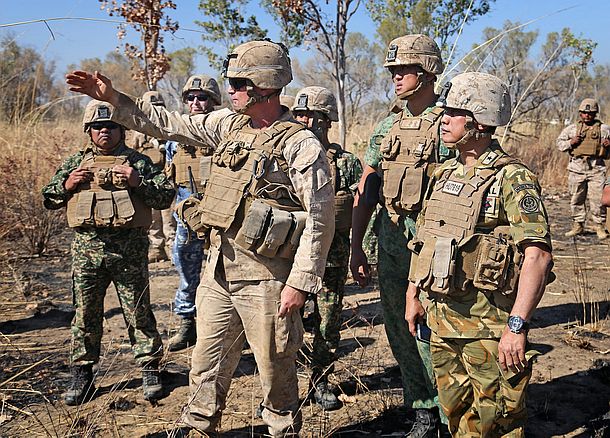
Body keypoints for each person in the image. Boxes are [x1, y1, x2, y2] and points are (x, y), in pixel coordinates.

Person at [66, 40, 334, 437]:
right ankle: (198, 426)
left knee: (275, 367)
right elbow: (169, 124)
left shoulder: (300, 144)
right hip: (217, 269)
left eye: (239, 83)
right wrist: (115, 98)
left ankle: (281, 429)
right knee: (205, 363)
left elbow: (319, 216)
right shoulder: (228, 125)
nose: (230, 91)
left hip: (267, 280)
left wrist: (299, 282)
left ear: (264, 85)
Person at [405, 72, 553, 437]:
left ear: (481, 121)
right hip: (441, 323)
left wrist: (517, 326)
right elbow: (426, 238)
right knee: (456, 418)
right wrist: (412, 294)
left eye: (453, 113)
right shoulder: (444, 173)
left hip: (490, 328)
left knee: (497, 424)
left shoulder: (512, 179)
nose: (443, 119)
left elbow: (537, 257)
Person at [42, 100, 175, 405]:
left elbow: (165, 196)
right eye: (98, 127)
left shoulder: (137, 162)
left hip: (129, 253)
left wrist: (136, 181)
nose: (105, 131)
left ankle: (149, 367)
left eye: (111, 126)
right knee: (85, 314)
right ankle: (82, 372)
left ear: (121, 130)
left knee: (138, 312)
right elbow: (49, 199)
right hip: (87, 254)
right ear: (88, 131)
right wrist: (66, 184)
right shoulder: (76, 162)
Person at [350, 34, 450, 436]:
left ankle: (451, 415)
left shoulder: (449, 125)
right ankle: (423, 410)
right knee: (399, 329)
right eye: (392, 70)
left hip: (435, 250)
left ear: (427, 73)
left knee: (434, 332)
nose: (395, 76)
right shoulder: (388, 124)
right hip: (391, 246)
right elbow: (368, 184)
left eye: (403, 69)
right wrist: (358, 245)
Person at [291, 86, 363, 410]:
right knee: (286, 322)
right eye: (300, 115)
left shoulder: (346, 164)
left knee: (327, 323)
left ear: (327, 120)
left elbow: (364, 208)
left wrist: (363, 251)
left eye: (311, 116)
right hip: (290, 258)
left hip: (332, 260)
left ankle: (319, 381)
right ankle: (285, 384)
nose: (304, 121)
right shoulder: (285, 158)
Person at [164, 75, 222, 352]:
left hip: (220, 216)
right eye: (191, 98)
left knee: (225, 273)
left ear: (214, 102)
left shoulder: (224, 134)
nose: (196, 103)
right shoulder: (174, 140)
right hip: (187, 218)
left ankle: (228, 328)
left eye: (202, 98)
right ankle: (187, 324)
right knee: (188, 273)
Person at [556, 98, 610, 240]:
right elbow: (559, 144)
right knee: (576, 198)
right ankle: (578, 225)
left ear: (595, 113)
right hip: (576, 167)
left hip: (596, 168)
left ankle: (599, 226)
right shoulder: (572, 129)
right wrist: (570, 142)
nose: (587, 116)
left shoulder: (604, 129)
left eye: (591, 113)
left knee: (597, 199)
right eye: (584, 113)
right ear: (580, 113)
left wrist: (608, 145)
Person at [133, 90, 176, 263]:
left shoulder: (169, 129)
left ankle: (172, 248)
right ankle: (157, 248)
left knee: (169, 217)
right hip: (148, 181)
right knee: (152, 218)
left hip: (167, 179)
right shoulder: (138, 131)